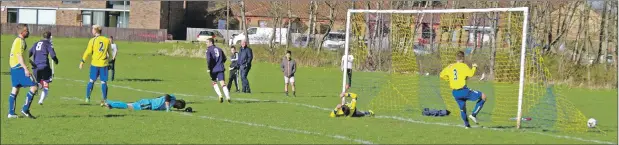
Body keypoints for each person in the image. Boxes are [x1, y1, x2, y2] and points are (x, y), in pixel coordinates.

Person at [439, 51, 488, 129]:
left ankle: (467, 126)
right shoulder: (463, 66)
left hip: (455, 93)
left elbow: (441, 75)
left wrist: (448, 80)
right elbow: (471, 74)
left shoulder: (450, 66)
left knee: (463, 109)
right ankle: (473, 115)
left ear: (456, 58)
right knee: (483, 96)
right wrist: (474, 66)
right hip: (464, 91)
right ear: (463, 58)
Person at [7, 24, 38, 119]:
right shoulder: (19, 41)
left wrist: (31, 62)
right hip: (19, 68)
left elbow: (23, 55)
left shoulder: (20, 41)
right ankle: (25, 109)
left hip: (14, 68)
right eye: (26, 30)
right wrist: (25, 69)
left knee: (15, 89)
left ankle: (11, 113)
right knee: (34, 86)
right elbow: (19, 56)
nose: (28, 32)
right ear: (22, 32)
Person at [79, 25, 112, 106]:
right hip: (104, 64)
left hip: (95, 64)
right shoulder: (107, 40)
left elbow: (88, 52)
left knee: (91, 81)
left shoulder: (92, 40)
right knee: (103, 82)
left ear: (96, 31)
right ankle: (104, 99)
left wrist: (82, 61)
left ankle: (87, 98)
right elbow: (110, 53)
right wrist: (110, 62)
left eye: (92, 29)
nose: (92, 31)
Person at [28, 31, 59, 105]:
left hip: (35, 68)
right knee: (46, 85)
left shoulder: (35, 44)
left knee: (38, 83)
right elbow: (53, 55)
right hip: (45, 67)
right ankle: (41, 101)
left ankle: (35, 87)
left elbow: (28, 54)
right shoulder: (48, 44)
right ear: (50, 37)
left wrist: (31, 62)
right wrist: (56, 61)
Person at [206, 38, 231, 103]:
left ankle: (220, 96)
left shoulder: (209, 50)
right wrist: (220, 63)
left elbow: (209, 59)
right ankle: (228, 97)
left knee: (214, 82)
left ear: (211, 43)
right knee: (223, 83)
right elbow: (225, 58)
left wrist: (209, 67)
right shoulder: (219, 49)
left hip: (213, 69)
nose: (206, 44)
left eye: (207, 42)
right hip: (220, 68)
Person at [104, 94, 186, 112]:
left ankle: (111, 104)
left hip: (148, 104)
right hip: (147, 104)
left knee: (128, 106)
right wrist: (168, 108)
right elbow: (166, 96)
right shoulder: (173, 99)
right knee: (128, 106)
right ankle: (109, 103)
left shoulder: (170, 105)